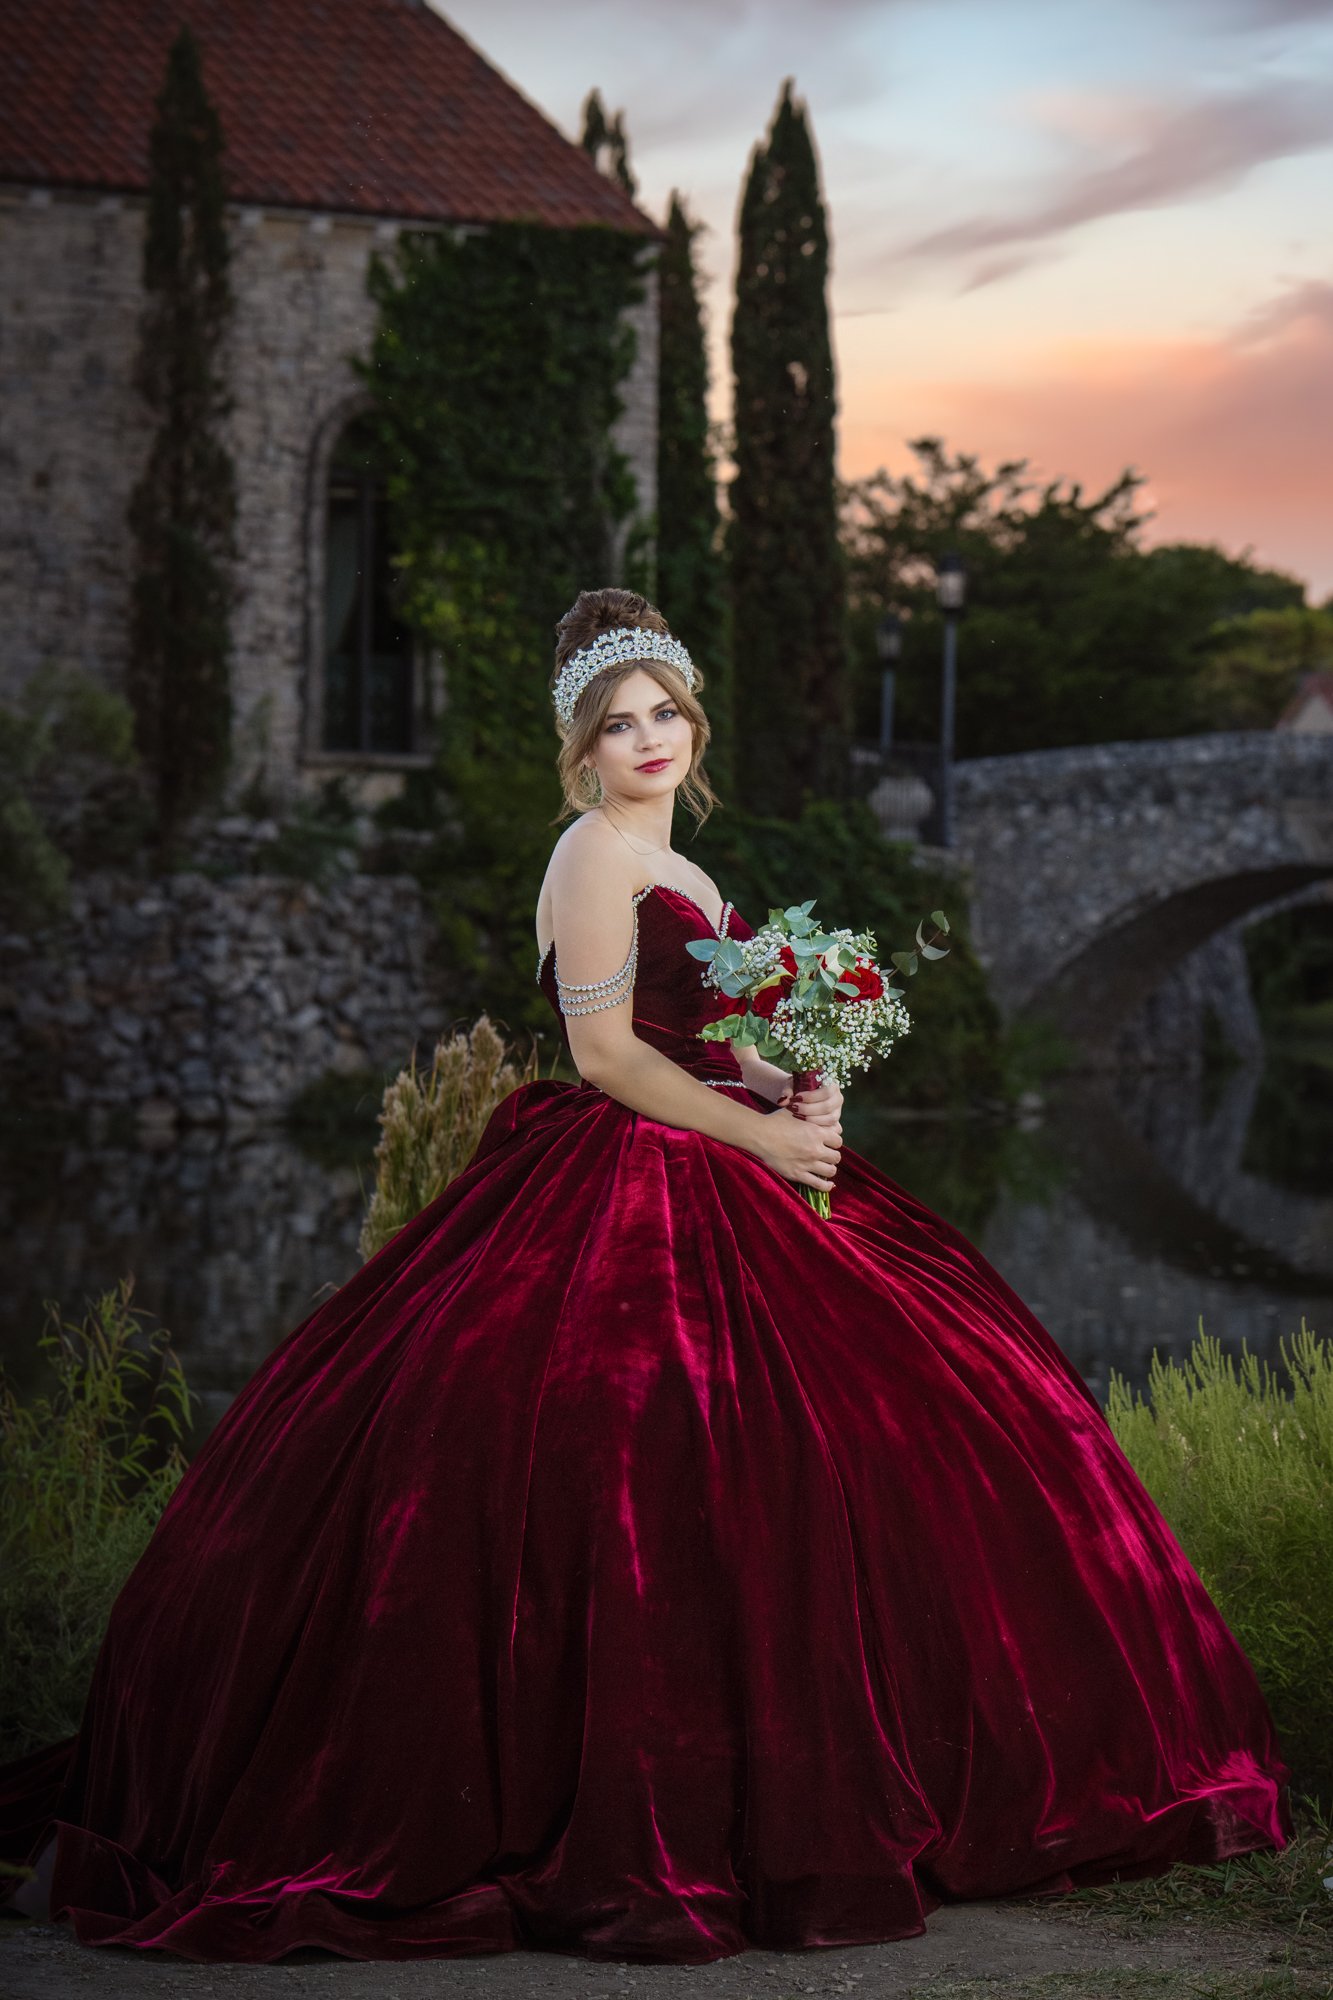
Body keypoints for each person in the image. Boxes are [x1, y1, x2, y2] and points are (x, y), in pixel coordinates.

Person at [0, 588, 1293, 1965]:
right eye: (618, 725)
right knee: (618, 1468)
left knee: (928, 1417)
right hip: (626, 1178)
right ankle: (640, 1809)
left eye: (664, 712)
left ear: (692, 720)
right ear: (583, 750)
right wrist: (764, 1141)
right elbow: (612, 1060)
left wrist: (806, 1080)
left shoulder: (688, 875)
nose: (648, 739)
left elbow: (723, 1040)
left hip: (720, 1153)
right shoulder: (590, 859)